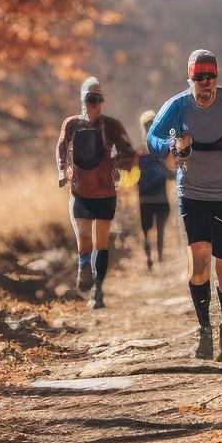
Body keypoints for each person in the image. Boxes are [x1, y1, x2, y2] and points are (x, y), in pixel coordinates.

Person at [147, 49, 222, 361]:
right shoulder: (177, 106)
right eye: (199, 77)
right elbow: (153, 139)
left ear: (217, 76)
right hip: (193, 193)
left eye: (210, 76)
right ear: (189, 79)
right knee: (200, 260)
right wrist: (173, 144)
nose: (205, 82)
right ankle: (204, 330)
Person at [55, 77, 138, 309]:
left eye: (98, 99)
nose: (95, 105)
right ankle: (84, 269)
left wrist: (116, 162)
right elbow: (61, 146)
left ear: (103, 101)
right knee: (83, 240)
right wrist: (62, 170)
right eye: (90, 99)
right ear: (82, 101)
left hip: (105, 192)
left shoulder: (111, 125)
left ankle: (98, 290)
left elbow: (129, 153)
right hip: (80, 191)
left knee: (101, 243)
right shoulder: (71, 124)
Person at [135, 110, 175, 271]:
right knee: (160, 230)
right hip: (160, 196)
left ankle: (150, 259)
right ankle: (158, 258)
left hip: (144, 197)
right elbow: (169, 173)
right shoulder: (161, 149)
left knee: (146, 231)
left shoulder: (139, 152)